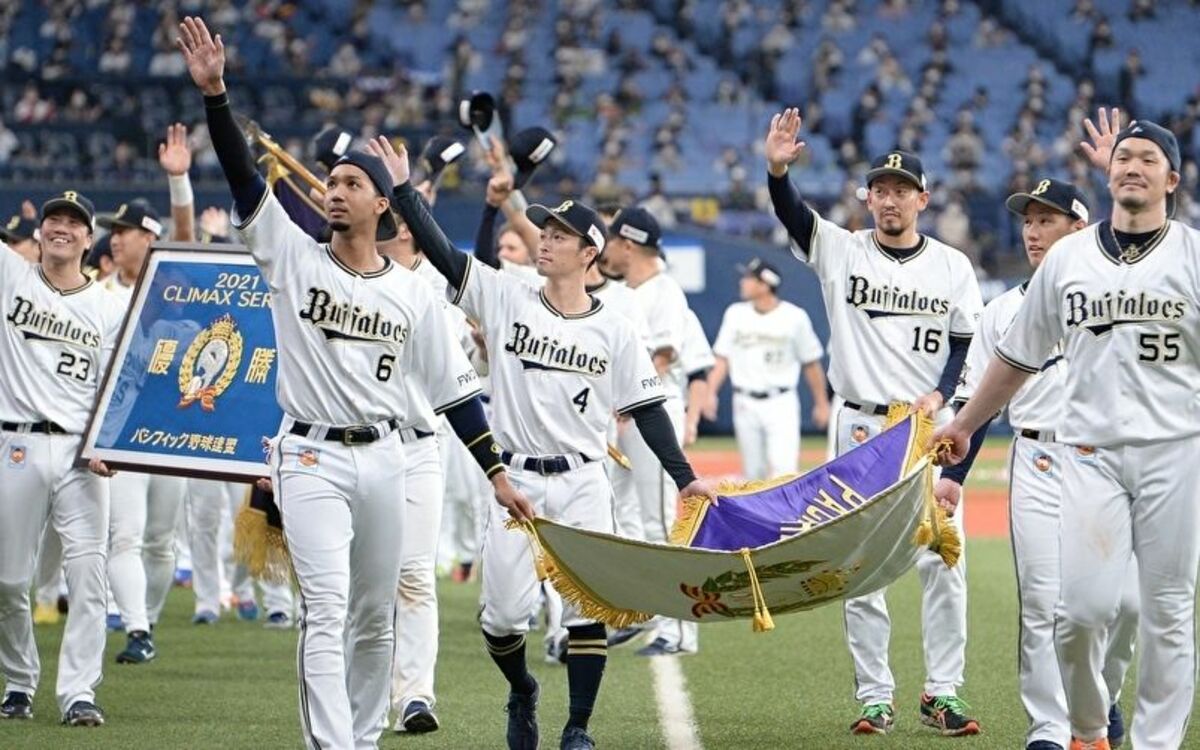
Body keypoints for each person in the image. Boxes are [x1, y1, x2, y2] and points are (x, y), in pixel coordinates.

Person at [177, 17, 526, 748]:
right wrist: (216, 97)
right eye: (331, 181)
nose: (335, 190)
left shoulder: (412, 292)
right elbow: (246, 184)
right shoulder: (293, 257)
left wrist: (495, 471)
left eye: (352, 183)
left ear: (381, 205)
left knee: (377, 616)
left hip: (390, 459)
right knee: (326, 610)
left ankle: (363, 737)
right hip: (310, 457)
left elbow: (456, 391)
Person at [380, 135, 715, 750]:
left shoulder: (615, 324)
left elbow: (647, 406)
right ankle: (521, 689)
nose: (547, 241)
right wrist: (405, 191)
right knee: (503, 619)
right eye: (545, 232)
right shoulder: (505, 296)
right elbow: (442, 256)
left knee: (588, 611)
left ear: (590, 252)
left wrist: (683, 475)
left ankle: (577, 727)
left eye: (560, 235)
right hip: (516, 481)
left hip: (585, 480)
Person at [934, 119, 1198, 750]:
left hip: (1175, 453)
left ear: (1173, 179)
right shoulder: (1070, 262)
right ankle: (1086, 725)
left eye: (1148, 158)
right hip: (1088, 455)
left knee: (1165, 613)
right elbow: (1016, 358)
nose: (1133, 165)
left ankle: (1154, 742)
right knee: (1078, 615)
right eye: (1124, 157)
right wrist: (965, 425)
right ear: (1108, 174)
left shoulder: (1192, 254)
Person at [765, 107, 983, 736]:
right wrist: (778, 172)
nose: (890, 200)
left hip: (924, 430)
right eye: (879, 190)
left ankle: (943, 691)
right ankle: (875, 695)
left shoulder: (952, 266)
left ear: (923, 197)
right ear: (868, 198)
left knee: (944, 559)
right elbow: (792, 214)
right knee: (859, 564)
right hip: (859, 424)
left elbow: (965, 345)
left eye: (901, 190)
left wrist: (942, 395)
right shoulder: (841, 249)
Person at [943, 177, 1139, 750]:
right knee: (1044, 603)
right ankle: (1051, 730)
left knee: (1124, 603)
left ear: (1081, 228)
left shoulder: (1112, 294)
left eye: (1048, 219)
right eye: (1028, 220)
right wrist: (953, 478)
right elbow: (977, 401)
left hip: (1106, 456)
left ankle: (1101, 694)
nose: (1033, 230)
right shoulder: (1002, 310)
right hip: (1038, 458)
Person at [0, 191, 126, 726]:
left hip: (82, 453)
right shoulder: (12, 277)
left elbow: (122, 387)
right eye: (53, 218)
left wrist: (111, 445)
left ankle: (78, 692)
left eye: (74, 223)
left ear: (88, 239)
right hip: (16, 442)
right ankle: (19, 681)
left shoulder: (108, 306)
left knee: (88, 579)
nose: (61, 227)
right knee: (7, 581)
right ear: (38, 231)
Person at [599, 206, 704, 656]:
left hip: (652, 411)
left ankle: (679, 629)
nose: (606, 247)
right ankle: (643, 611)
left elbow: (662, 356)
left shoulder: (664, 290)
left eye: (612, 239)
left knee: (660, 519)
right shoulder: (625, 289)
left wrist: (628, 395)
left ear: (627, 243)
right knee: (627, 519)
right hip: (623, 415)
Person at [94, 198, 190, 663]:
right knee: (125, 535)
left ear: (150, 239)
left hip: (172, 432)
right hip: (121, 434)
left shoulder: (178, 294)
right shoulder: (99, 294)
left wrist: (179, 183)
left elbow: (189, 246)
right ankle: (136, 627)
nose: (116, 237)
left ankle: (147, 618)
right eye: (115, 230)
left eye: (127, 230)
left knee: (161, 538)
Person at [706, 257, 829, 479]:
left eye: (749, 278)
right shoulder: (735, 314)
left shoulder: (794, 317)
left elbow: (810, 363)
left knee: (784, 471)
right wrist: (710, 393)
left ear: (764, 284)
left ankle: (786, 516)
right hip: (744, 401)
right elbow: (721, 358)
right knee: (753, 473)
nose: (743, 282)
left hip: (781, 401)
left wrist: (821, 403)